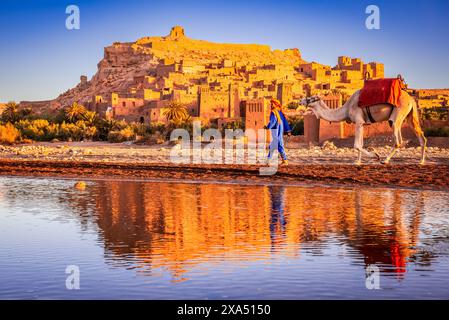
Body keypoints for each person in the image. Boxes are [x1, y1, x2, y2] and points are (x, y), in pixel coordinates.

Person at [264, 98, 292, 165]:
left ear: (275, 104)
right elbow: (285, 122)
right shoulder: (280, 113)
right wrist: (288, 130)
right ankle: (283, 160)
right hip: (280, 131)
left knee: (276, 145)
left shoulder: (273, 112)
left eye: (272, 104)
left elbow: (273, 122)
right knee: (277, 145)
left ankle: (283, 160)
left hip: (275, 131)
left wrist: (267, 127)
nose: (271, 105)